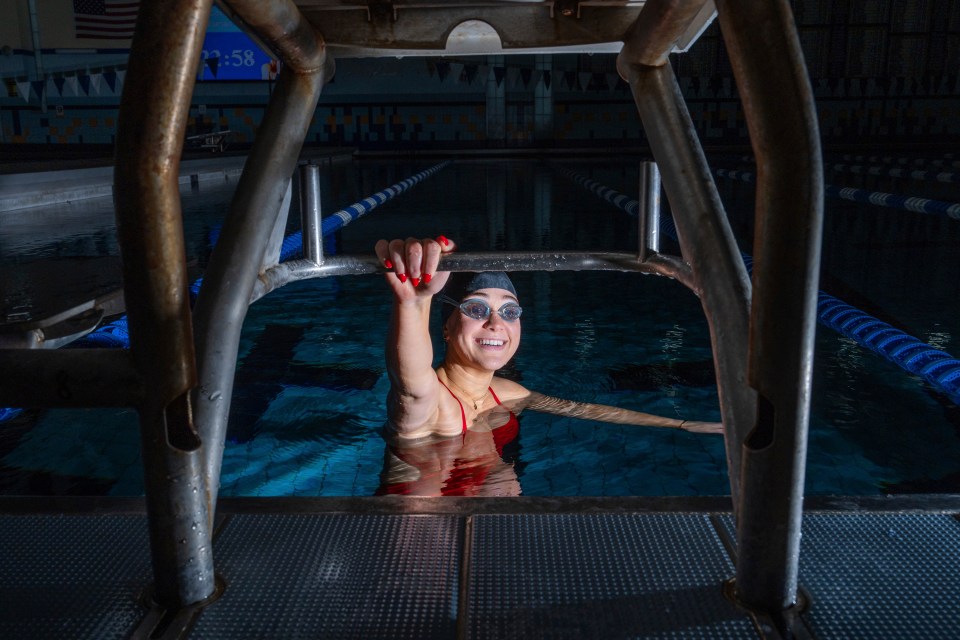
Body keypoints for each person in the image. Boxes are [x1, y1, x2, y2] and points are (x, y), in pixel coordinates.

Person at [373, 235, 722, 495]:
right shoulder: (433, 402)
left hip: (491, 534)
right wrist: (414, 301)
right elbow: (410, 381)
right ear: (446, 328)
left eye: (510, 312)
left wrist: (681, 424)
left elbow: (583, 410)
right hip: (420, 551)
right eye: (476, 309)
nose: (497, 324)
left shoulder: (506, 392)